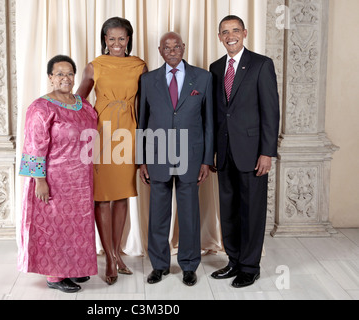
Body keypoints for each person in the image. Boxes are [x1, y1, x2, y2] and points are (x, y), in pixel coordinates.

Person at [138, 32, 214, 286]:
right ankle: (159, 265)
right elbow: (142, 122)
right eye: (167, 47)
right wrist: (141, 160)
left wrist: (206, 160)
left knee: (190, 213)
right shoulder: (148, 80)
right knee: (158, 214)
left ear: (184, 47)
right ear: (160, 50)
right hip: (157, 156)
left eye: (177, 46)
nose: (172, 50)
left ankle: (190, 265)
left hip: (191, 158)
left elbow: (209, 123)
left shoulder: (202, 78)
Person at [209, 15, 280, 288]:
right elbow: (217, 114)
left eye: (235, 30)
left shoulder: (262, 65)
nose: (230, 35)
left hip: (253, 153)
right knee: (228, 210)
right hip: (225, 152)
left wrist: (267, 153)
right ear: (219, 37)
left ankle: (250, 267)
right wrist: (212, 152)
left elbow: (270, 113)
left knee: (252, 210)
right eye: (225, 32)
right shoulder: (215, 68)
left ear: (245, 33)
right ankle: (234, 260)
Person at [76, 17, 148, 285]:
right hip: (102, 134)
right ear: (104, 39)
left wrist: (143, 142)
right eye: (111, 38)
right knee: (102, 198)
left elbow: (144, 106)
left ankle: (117, 253)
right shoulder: (96, 65)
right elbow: (79, 100)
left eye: (122, 38)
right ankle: (108, 256)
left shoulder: (139, 65)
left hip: (128, 133)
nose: (117, 43)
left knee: (121, 196)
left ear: (129, 39)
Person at [18, 55, 98, 293]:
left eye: (70, 74)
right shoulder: (41, 107)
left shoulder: (83, 105)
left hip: (81, 180)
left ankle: (73, 268)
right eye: (60, 74)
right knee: (56, 227)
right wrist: (39, 181)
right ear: (50, 78)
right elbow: (33, 145)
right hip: (53, 180)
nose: (66, 78)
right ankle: (55, 275)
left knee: (78, 225)